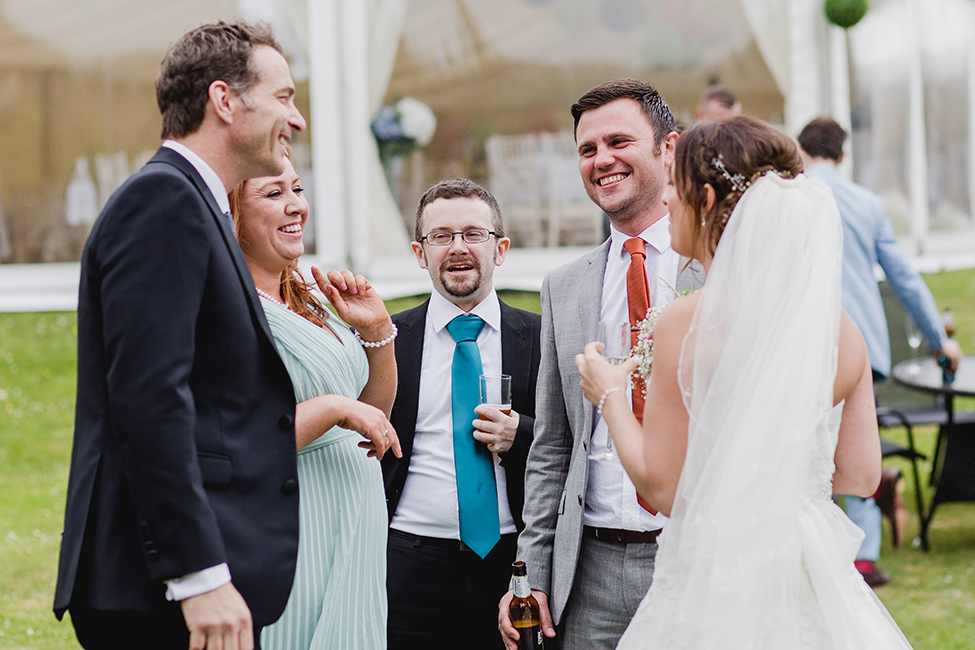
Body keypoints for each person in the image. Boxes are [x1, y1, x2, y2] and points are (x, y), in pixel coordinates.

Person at [575, 115, 913, 648]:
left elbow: (665, 490)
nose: (666, 204)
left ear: (706, 200)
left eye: (675, 190)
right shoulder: (840, 328)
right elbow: (860, 474)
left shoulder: (685, 324)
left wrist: (609, 393)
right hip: (809, 576)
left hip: (717, 576)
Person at [54, 21, 307, 650]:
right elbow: (148, 401)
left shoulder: (198, 202)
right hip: (154, 589)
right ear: (225, 101)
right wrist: (197, 575)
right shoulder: (164, 202)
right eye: (284, 97)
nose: (296, 119)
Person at [499, 79, 705, 650]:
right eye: (587, 150)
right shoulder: (563, 288)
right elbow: (552, 448)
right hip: (587, 570)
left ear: (669, 148)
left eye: (619, 141)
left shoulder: (718, 269)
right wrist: (532, 572)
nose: (601, 160)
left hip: (696, 558)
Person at [231, 151, 402, 649]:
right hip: (294, 526)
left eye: (298, 190)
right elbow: (244, 442)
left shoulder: (312, 294)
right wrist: (332, 408)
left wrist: (377, 332)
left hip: (355, 520)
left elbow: (374, 421)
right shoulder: (232, 309)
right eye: (273, 193)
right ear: (233, 214)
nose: (296, 206)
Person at [799, 116, 963, 587]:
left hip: (798, 345)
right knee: (852, 444)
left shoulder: (785, 197)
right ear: (843, 154)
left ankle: (813, 551)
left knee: (804, 449)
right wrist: (940, 340)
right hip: (857, 349)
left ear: (802, 150)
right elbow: (904, 279)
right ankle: (862, 558)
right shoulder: (866, 203)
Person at [382, 179, 541, 649]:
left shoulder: (539, 336)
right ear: (419, 252)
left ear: (501, 248)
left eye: (473, 234)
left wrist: (522, 434)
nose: (458, 248)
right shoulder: (387, 339)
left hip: (513, 562)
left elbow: (576, 438)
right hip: (408, 563)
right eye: (441, 236)